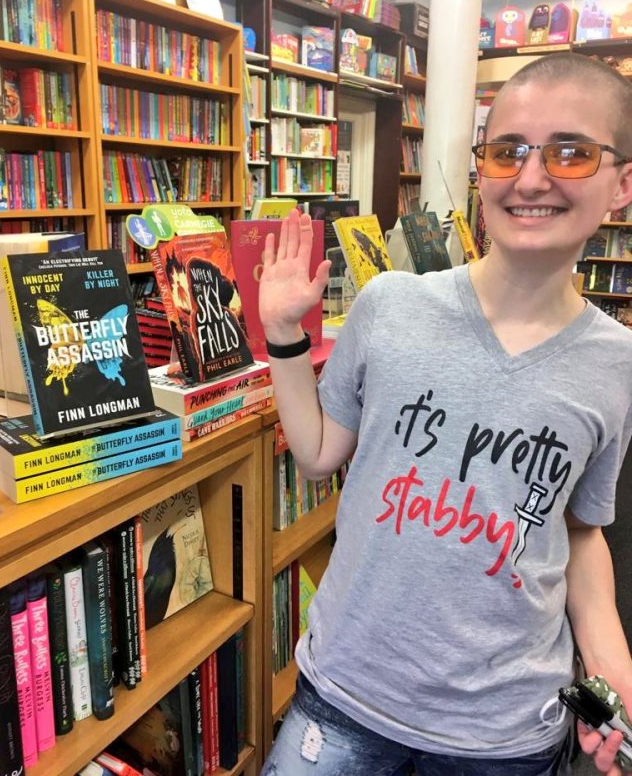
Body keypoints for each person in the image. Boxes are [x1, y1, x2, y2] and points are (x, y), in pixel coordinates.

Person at [258, 51, 632, 776]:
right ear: (480, 169)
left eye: (571, 152)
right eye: (506, 151)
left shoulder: (616, 364)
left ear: (622, 184)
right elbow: (316, 453)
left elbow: (580, 529)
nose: (530, 177)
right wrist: (282, 338)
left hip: (504, 731)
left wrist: (612, 664)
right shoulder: (391, 304)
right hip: (347, 691)